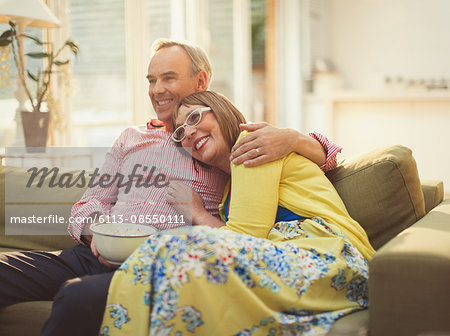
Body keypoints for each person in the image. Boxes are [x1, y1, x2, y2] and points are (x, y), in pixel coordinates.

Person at [0, 39, 340, 336]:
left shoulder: (218, 139)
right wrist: (97, 236)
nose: (156, 89)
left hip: (157, 264)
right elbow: (88, 204)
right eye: (151, 80)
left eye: (168, 77)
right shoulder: (132, 137)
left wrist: (295, 137)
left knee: (78, 297)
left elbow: (325, 160)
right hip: (92, 255)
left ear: (201, 80)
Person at [100, 91, 375, 336]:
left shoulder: (252, 145)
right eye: (180, 132)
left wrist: (196, 212)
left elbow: (244, 237)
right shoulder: (231, 188)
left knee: (172, 248)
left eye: (195, 117)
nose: (190, 132)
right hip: (299, 259)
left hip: (330, 257)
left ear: (220, 111)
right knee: (163, 260)